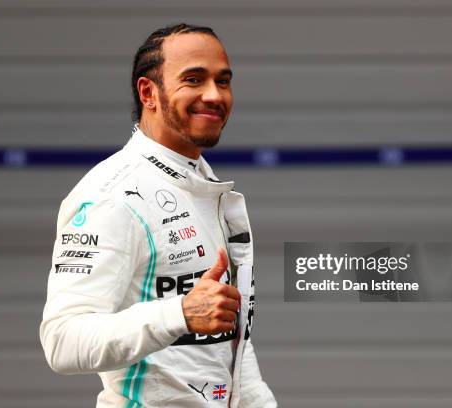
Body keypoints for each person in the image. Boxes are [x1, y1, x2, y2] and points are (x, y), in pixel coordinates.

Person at [39, 23, 277, 407]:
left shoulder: (200, 181)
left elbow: (228, 345)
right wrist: (180, 312)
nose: (214, 95)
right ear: (149, 92)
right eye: (194, 79)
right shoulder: (111, 195)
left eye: (223, 81)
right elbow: (63, 341)